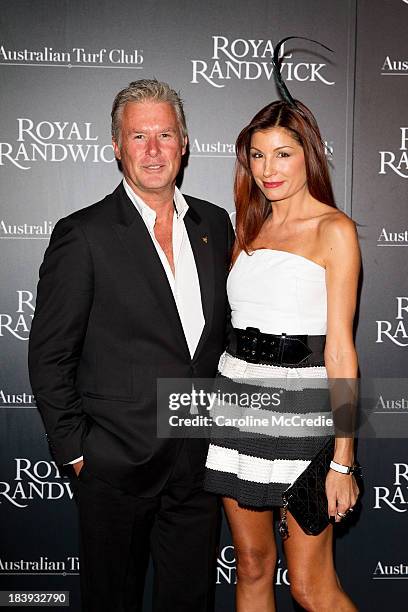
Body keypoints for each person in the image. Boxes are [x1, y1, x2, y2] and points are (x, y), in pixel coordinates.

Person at [28, 79, 234, 612]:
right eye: (138, 136)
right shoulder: (84, 234)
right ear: (116, 146)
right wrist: (79, 454)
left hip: (198, 462)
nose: (153, 149)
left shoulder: (215, 223)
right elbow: (50, 356)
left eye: (165, 134)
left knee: (189, 602)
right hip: (116, 465)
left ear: (184, 142)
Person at [204, 95, 360, 610]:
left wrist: (343, 460)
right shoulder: (245, 226)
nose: (268, 169)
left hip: (304, 416)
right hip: (236, 407)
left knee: (310, 589)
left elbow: (339, 350)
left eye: (283, 154)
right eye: (257, 154)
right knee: (250, 565)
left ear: (308, 155)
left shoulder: (334, 231)